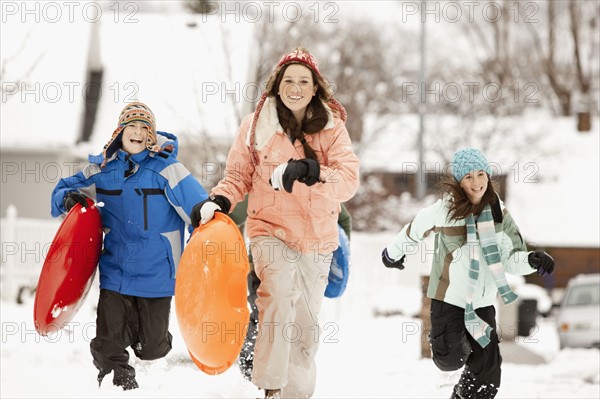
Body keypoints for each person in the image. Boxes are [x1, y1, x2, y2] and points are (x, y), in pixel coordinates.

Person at [191, 48, 360, 399]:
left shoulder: (332, 129)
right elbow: (237, 175)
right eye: (288, 81)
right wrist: (219, 200)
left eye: (303, 81)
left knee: (305, 326)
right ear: (276, 86)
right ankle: (269, 389)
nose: (295, 87)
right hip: (270, 231)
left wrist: (312, 171)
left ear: (315, 88)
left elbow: (348, 181)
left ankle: (295, 395)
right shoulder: (256, 127)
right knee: (278, 298)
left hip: (317, 240)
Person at [50, 102, 208, 390]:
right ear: (120, 132)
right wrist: (69, 200)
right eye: (131, 126)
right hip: (116, 272)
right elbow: (62, 189)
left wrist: (206, 217)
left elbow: (197, 204)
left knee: (152, 348)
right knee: (107, 343)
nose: (137, 132)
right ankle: (119, 387)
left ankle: (147, 350)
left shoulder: (168, 169)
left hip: (157, 274)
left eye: (144, 128)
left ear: (151, 136)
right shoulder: (102, 170)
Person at [381, 148, 555, 399]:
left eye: (481, 174)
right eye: (469, 177)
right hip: (449, 299)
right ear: (459, 181)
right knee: (450, 358)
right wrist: (393, 254)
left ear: (488, 176)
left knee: (488, 378)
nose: (477, 183)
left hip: (482, 303)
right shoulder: (446, 210)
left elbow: (511, 258)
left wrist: (532, 259)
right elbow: (414, 230)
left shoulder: (499, 215)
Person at [233, 201, 353, 381]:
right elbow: (343, 219)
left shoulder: (270, 182)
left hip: (277, 265)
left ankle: (270, 370)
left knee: (271, 317)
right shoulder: (314, 185)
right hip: (276, 266)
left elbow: (233, 216)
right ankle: (255, 366)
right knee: (274, 317)